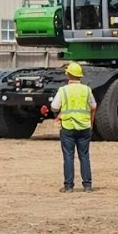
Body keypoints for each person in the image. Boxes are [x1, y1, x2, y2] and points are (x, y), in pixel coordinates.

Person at [48, 62, 96, 193]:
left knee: (68, 157)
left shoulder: (63, 90)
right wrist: (91, 124)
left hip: (68, 127)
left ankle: (69, 186)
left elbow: (54, 107)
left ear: (68, 75)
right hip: (85, 127)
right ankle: (87, 185)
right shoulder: (87, 90)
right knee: (84, 156)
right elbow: (93, 107)